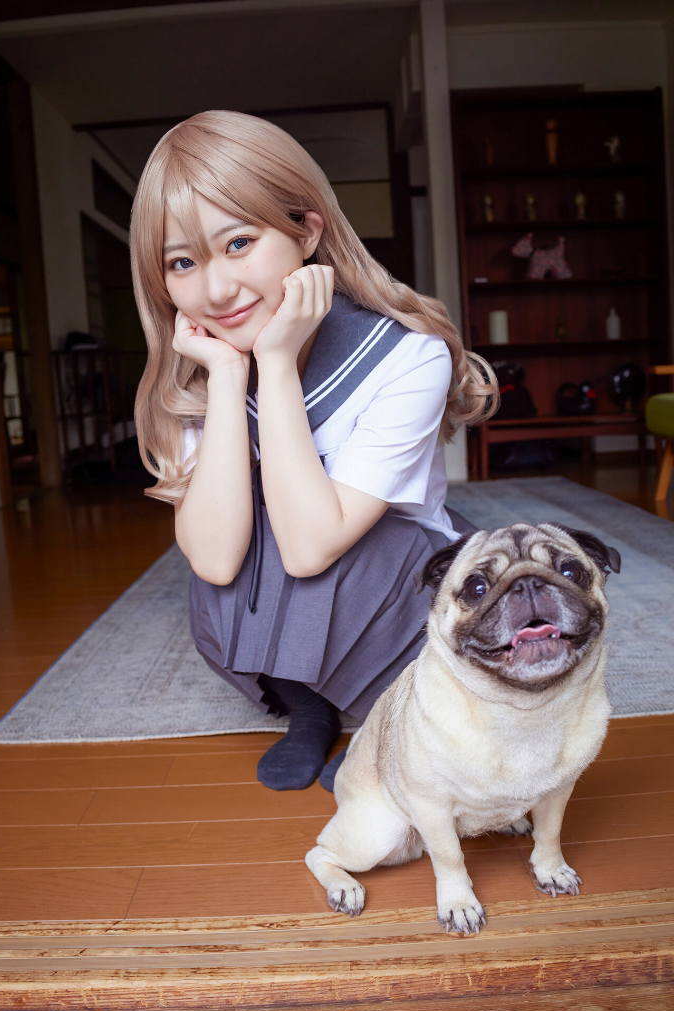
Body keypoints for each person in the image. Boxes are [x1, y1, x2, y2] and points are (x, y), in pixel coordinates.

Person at [130, 111, 497, 792]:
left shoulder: (407, 357)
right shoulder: (201, 370)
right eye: (182, 262)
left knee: (340, 538)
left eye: (239, 243)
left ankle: (399, 720)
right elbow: (213, 560)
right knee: (227, 546)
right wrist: (229, 378)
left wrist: (275, 364)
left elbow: (310, 547)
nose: (216, 290)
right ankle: (310, 709)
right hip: (305, 587)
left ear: (306, 232)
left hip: (399, 606)